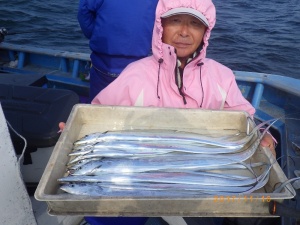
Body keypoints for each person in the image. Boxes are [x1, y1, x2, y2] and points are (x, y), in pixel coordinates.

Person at [60, 0, 276, 224]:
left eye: (194, 23)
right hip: (137, 177)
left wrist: (262, 135)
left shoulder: (221, 76)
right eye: (175, 21)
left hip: (200, 180)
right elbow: (100, 116)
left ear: (206, 31)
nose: (184, 31)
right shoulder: (136, 74)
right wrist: (76, 134)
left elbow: (243, 118)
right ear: (160, 25)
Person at [77, 0, 159, 102]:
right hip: (137, 64)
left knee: (97, 109)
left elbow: (84, 12)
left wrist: (95, 34)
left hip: (104, 65)